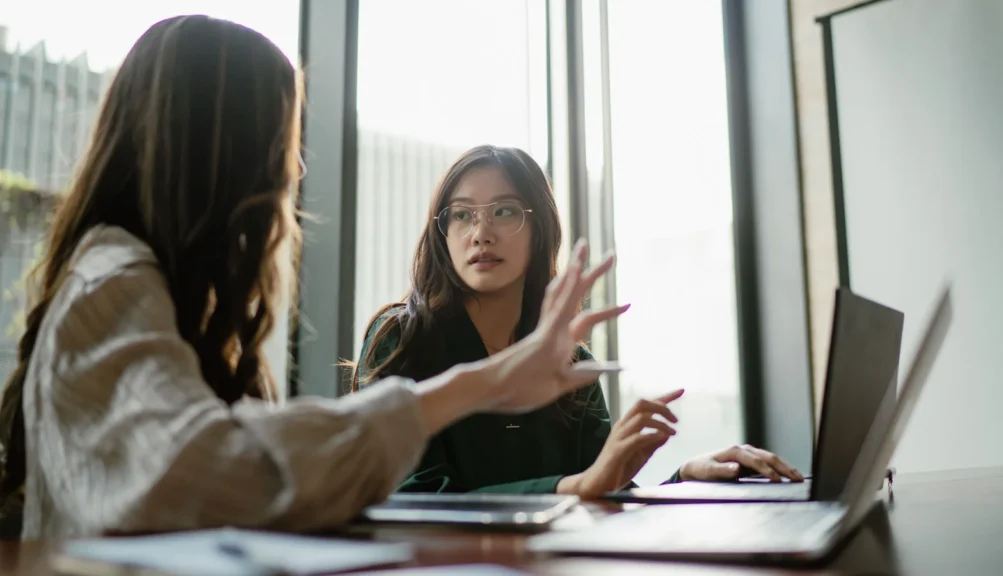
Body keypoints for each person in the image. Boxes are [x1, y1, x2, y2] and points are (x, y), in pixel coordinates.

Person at [0, 17, 623, 540]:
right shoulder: (110, 281)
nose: (294, 166)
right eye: (281, 137)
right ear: (219, 148)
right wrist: (479, 385)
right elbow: (216, 473)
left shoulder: (152, 295)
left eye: (505, 212)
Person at [350, 145, 803, 498]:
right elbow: (416, 501)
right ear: (442, 233)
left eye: (504, 211)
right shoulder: (403, 338)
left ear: (540, 228)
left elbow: (604, 494)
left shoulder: (572, 361)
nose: (480, 232)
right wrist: (576, 488)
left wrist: (688, 478)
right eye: (462, 215)